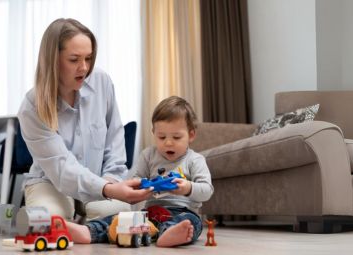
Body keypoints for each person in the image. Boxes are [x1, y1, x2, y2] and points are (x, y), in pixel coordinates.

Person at [17, 18, 152, 222]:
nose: (84, 68)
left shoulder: (102, 82)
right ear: (53, 60)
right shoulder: (32, 106)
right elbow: (62, 169)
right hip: (51, 183)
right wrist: (107, 190)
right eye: (74, 59)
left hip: (101, 178)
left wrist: (110, 182)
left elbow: (115, 142)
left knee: (119, 218)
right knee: (49, 221)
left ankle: (86, 224)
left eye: (88, 58)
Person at [67, 96, 214, 247]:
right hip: (150, 212)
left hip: (183, 211)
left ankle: (170, 233)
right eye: (161, 137)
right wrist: (143, 187)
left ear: (191, 135)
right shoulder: (148, 155)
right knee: (122, 218)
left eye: (176, 137)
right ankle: (90, 231)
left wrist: (188, 188)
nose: (168, 142)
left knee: (189, 223)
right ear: (153, 132)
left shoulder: (195, 160)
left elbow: (207, 190)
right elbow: (137, 180)